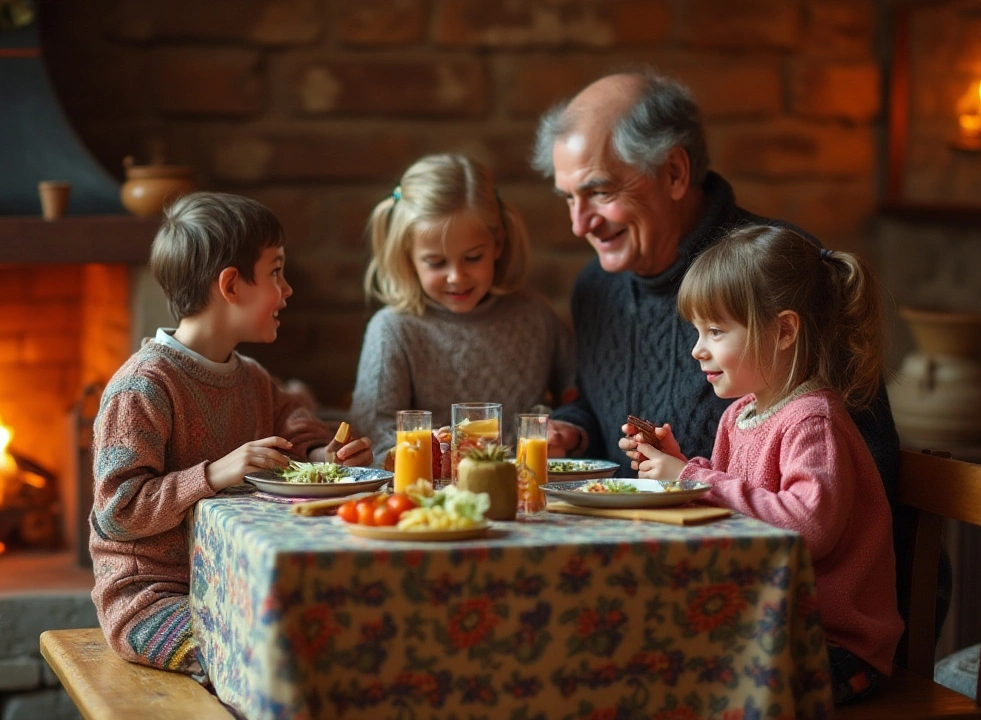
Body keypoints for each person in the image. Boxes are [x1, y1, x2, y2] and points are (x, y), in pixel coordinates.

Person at [531, 70, 949, 638]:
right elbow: (599, 397)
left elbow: (861, 474)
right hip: (670, 582)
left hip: (795, 611)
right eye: (568, 198)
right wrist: (573, 428)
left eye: (600, 191)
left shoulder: (775, 276)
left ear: (675, 172)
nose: (580, 223)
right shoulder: (594, 288)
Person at [89, 191, 373, 676]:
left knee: (342, 630)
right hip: (154, 598)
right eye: (276, 273)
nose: (287, 291)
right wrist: (215, 473)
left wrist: (324, 451)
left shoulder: (250, 377)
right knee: (265, 662)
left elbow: (293, 420)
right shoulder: (142, 387)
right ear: (231, 285)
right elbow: (118, 512)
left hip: (232, 583)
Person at [631, 225, 903, 704]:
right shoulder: (740, 415)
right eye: (698, 331)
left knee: (691, 686)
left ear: (783, 330)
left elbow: (806, 528)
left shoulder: (813, 421)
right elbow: (731, 510)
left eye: (715, 331)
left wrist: (690, 479)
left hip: (834, 646)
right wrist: (679, 467)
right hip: (771, 630)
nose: (698, 348)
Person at [349, 153, 574, 462]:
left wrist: (568, 431)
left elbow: (578, 398)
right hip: (430, 500)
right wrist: (424, 450)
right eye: (436, 262)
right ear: (408, 257)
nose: (457, 277)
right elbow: (373, 436)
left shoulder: (536, 317)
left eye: (472, 258)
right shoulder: (392, 330)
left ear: (498, 244)